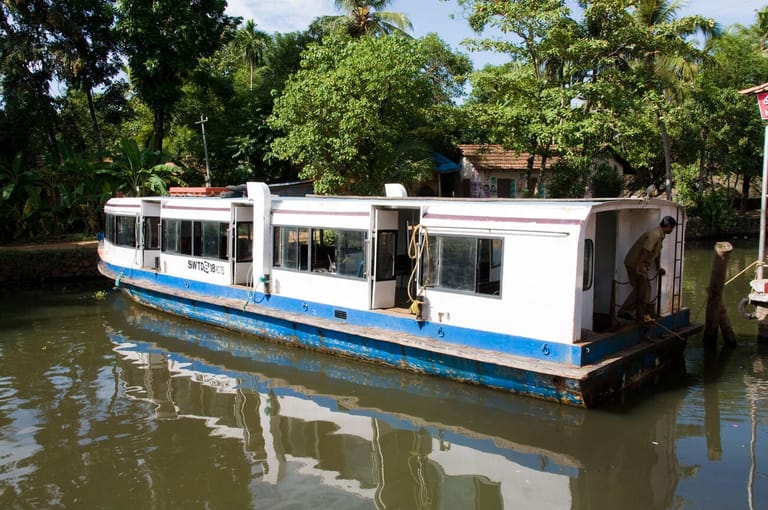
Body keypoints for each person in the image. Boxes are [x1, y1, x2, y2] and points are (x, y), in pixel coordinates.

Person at [617, 216, 677, 323]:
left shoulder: (659, 235)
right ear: (668, 226)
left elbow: (656, 252)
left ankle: (639, 314)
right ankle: (629, 312)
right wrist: (639, 267)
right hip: (635, 263)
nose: (672, 230)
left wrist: (658, 267)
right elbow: (645, 251)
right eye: (672, 228)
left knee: (643, 289)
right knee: (643, 289)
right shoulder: (655, 234)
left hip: (638, 263)